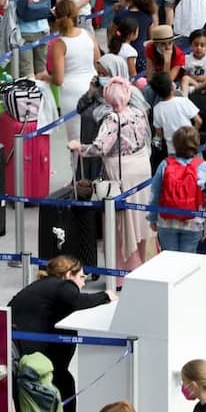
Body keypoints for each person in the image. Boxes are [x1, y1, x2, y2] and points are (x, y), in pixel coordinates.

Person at [9, 255, 115, 412]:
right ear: (68, 274)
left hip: (18, 350)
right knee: (64, 385)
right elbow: (76, 301)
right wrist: (106, 296)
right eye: (82, 277)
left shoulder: (45, 289)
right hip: (22, 354)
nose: (83, 284)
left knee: (57, 385)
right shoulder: (62, 286)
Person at [69, 77, 153, 271]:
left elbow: (100, 147)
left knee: (121, 220)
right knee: (140, 217)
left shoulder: (112, 119)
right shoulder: (139, 113)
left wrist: (78, 147)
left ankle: (123, 270)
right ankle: (144, 262)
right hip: (142, 167)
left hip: (121, 172)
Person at [147, 125, 206, 253]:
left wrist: (152, 219)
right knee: (188, 262)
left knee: (170, 260)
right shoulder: (204, 167)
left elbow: (155, 194)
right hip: (193, 223)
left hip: (166, 222)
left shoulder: (165, 164)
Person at [49, 0, 101, 144]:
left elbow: (58, 79)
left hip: (71, 93)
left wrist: (45, 77)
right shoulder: (87, 35)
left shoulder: (59, 44)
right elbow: (98, 62)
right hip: (92, 87)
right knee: (95, 138)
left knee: (76, 141)